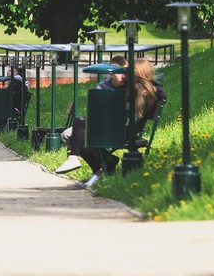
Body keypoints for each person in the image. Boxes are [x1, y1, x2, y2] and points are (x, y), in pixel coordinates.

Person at [56, 56, 166, 186]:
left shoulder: (137, 90)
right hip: (122, 128)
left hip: (119, 130)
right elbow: (159, 87)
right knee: (78, 133)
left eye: (128, 72)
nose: (126, 75)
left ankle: (76, 159)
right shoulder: (149, 91)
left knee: (80, 122)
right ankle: (104, 165)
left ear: (137, 74)